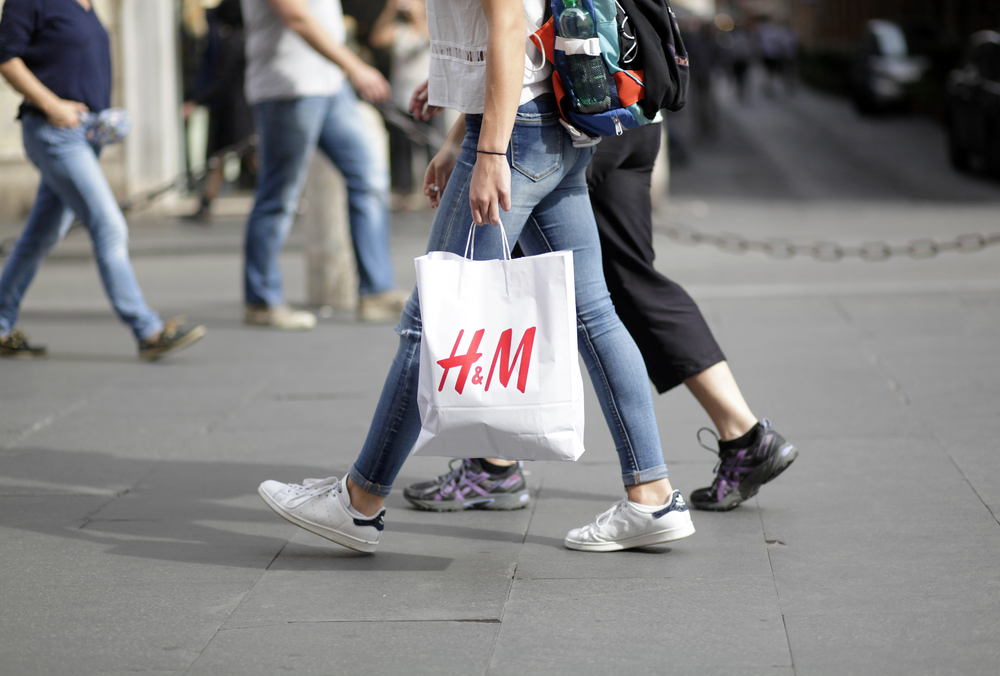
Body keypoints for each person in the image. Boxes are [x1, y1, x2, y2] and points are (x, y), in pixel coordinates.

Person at [257, 0, 696, 553]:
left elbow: (509, 27)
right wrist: (460, 134)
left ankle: (358, 503)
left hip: (515, 135)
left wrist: (487, 149)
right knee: (593, 314)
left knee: (432, 323)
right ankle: (651, 494)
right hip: (548, 128)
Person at [404, 122, 798, 513]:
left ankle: (494, 466)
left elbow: (509, 65)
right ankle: (744, 436)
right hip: (633, 116)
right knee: (629, 282)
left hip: (561, 125)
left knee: (515, 274)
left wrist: (462, 139)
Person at [0, 0, 205, 361]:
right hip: (54, 133)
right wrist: (52, 105)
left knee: (39, 236)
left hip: (84, 136)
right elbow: (6, 57)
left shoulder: (87, 5)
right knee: (109, 226)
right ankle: (148, 331)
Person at [239, 0, 408, 327]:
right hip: (290, 87)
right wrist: (354, 66)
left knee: (369, 178)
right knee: (279, 196)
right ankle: (261, 301)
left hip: (329, 85)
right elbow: (296, 17)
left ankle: (375, 291)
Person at [183, 0, 256, 224]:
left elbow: (221, 79)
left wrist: (196, 100)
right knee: (224, 157)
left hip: (233, 110)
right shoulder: (244, 39)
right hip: (236, 109)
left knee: (244, 156)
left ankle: (285, 197)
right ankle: (205, 204)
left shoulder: (232, 41)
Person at [369, 0, 437, 211]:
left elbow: (431, 39)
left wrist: (418, 15)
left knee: (430, 143)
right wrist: (390, 9)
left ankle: (433, 185)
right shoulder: (398, 30)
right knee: (401, 147)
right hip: (401, 97)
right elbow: (376, 39)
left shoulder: (431, 26)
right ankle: (403, 190)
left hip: (430, 98)